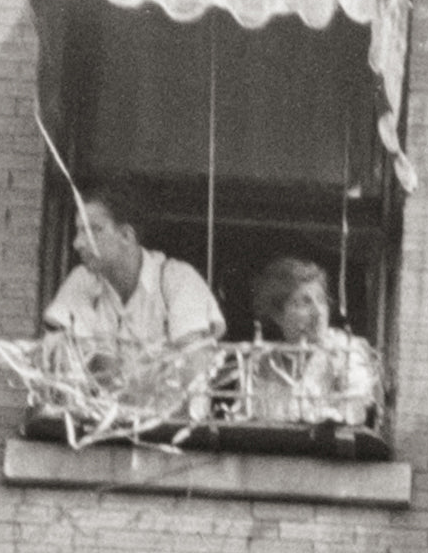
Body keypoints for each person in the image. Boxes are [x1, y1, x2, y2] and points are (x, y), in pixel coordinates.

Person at [28, 177, 226, 437]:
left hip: (174, 439)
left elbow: (195, 370)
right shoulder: (82, 280)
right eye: (78, 231)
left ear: (126, 235)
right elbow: (67, 361)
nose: (78, 243)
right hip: (106, 435)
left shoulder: (178, 279)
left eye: (91, 230)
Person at [247, 256, 382, 426]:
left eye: (321, 300)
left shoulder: (346, 351)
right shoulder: (263, 363)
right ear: (278, 315)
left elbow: (354, 408)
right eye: (304, 302)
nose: (318, 312)